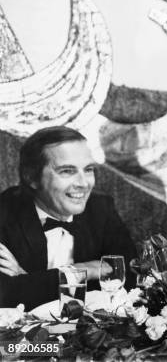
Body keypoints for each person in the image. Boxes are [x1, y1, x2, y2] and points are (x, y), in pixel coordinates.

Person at [0, 126, 137, 310]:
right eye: (67, 171)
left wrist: (28, 281)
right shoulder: (6, 212)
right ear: (31, 176)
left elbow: (129, 278)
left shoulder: (100, 208)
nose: (83, 183)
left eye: (88, 169)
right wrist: (84, 270)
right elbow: (5, 296)